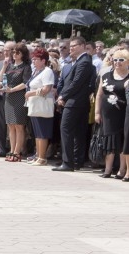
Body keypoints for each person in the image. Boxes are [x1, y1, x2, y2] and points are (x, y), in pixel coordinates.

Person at [53, 37, 96, 171]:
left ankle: (68, 162)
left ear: (83, 46)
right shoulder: (80, 61)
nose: (71, 48)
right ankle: (76, 161)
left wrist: (63, 96)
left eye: (74, 45)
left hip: (75, 102)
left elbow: (76, 83)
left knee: (66, 130)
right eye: (70, 46)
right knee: (78, 132)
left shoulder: (84, 62)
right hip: (77, 101)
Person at [95, 49, 128, 177]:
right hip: (107, 115)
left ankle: (122, 169)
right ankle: (108, 169)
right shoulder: (106, 75)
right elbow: (99, 95)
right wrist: (97, 112)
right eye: (115, 60)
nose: (117, 63)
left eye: (121, 60)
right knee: (108, 141)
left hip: (123, 114)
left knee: (122, 142)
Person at [0, 43, 31, 162]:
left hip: (19, 96)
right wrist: (4, 66)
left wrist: (12, 89)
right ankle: (12, 150)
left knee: (19, 125)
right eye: (14, 52)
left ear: (23, 54)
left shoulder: (26, 66)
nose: (15, 54)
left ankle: (17, 152)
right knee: (10, 125)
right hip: (9, 97)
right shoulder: (10, 65)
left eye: (17, 52)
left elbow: (26, 83)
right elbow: (0, 79)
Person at [25, 48, 57, 167]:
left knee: (42, 132)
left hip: (42, 104)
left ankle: (42, 157)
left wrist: (30, 93)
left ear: (43, 60)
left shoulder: (47, 71)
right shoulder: (37, 72)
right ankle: (38, 155)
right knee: (37, 132)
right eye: (32, 59)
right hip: (35, 104)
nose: (33, 61)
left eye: (36, 59)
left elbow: (47, 89)